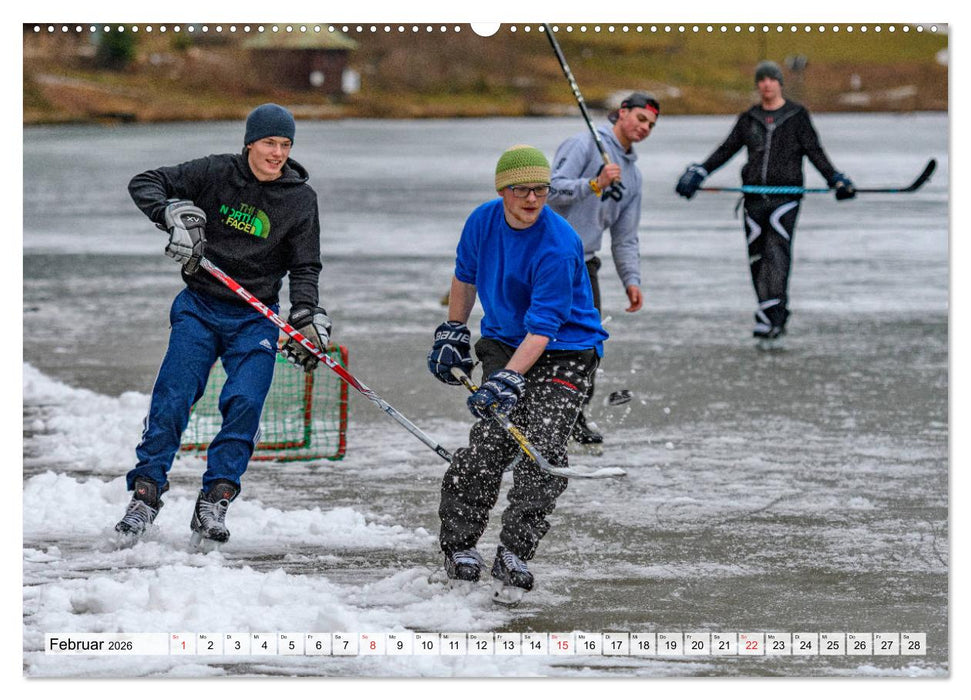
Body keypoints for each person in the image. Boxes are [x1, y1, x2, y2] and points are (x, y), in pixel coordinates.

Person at [114, 103, 330, 547]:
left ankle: (215, 498)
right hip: (200, 306)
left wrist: (306, 314)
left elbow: (305, 266)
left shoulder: (300, 199)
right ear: (250, 142)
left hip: (256, 317)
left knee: (245, 403)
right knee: (173, 398)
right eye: (269, 143)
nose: (277, 153)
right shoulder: (215, 172)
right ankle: (145, 494)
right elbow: (145, 182)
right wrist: (170, 214)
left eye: (285, 145)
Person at [426, 144, 608, 601]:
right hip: (505, 340)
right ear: (503, 191)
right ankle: (461, 545)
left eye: (541, 191)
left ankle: (515, 551)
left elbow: (544, 328)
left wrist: (508, 379)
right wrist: (453, 330)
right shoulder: (482, 222)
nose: (532, 199)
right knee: (490, 442)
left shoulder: (559, 243)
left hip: (566, 350)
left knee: (542, 446)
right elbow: (465, 277)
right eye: (522, 190)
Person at [675, 61, 855, 346]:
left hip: (785, 198)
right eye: (761, 80)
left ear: (780, 83)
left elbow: (815, 151)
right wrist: (699, 172)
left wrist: (835, 178)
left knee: (777, 254)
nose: (766, 84)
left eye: (772, 79)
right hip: (754, 198)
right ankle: (770, 311)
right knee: (757, 257)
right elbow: (726, 149)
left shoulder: (797, 116)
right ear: (758, 85)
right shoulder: (750, 118)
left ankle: (771, 316)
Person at [548, 92, 658, 447]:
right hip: (548, 258)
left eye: (651, 125)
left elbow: (625, 237)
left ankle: (573, 416)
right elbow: (546, 192)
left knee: (589, 346)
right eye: (640, 118)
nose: (644, 128)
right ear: (622, 113)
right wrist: (593, 184)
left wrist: (632, 279)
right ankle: (528, 411)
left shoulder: (634, 177)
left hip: (585, 264)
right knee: (541, 338)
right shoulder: (583, 144)